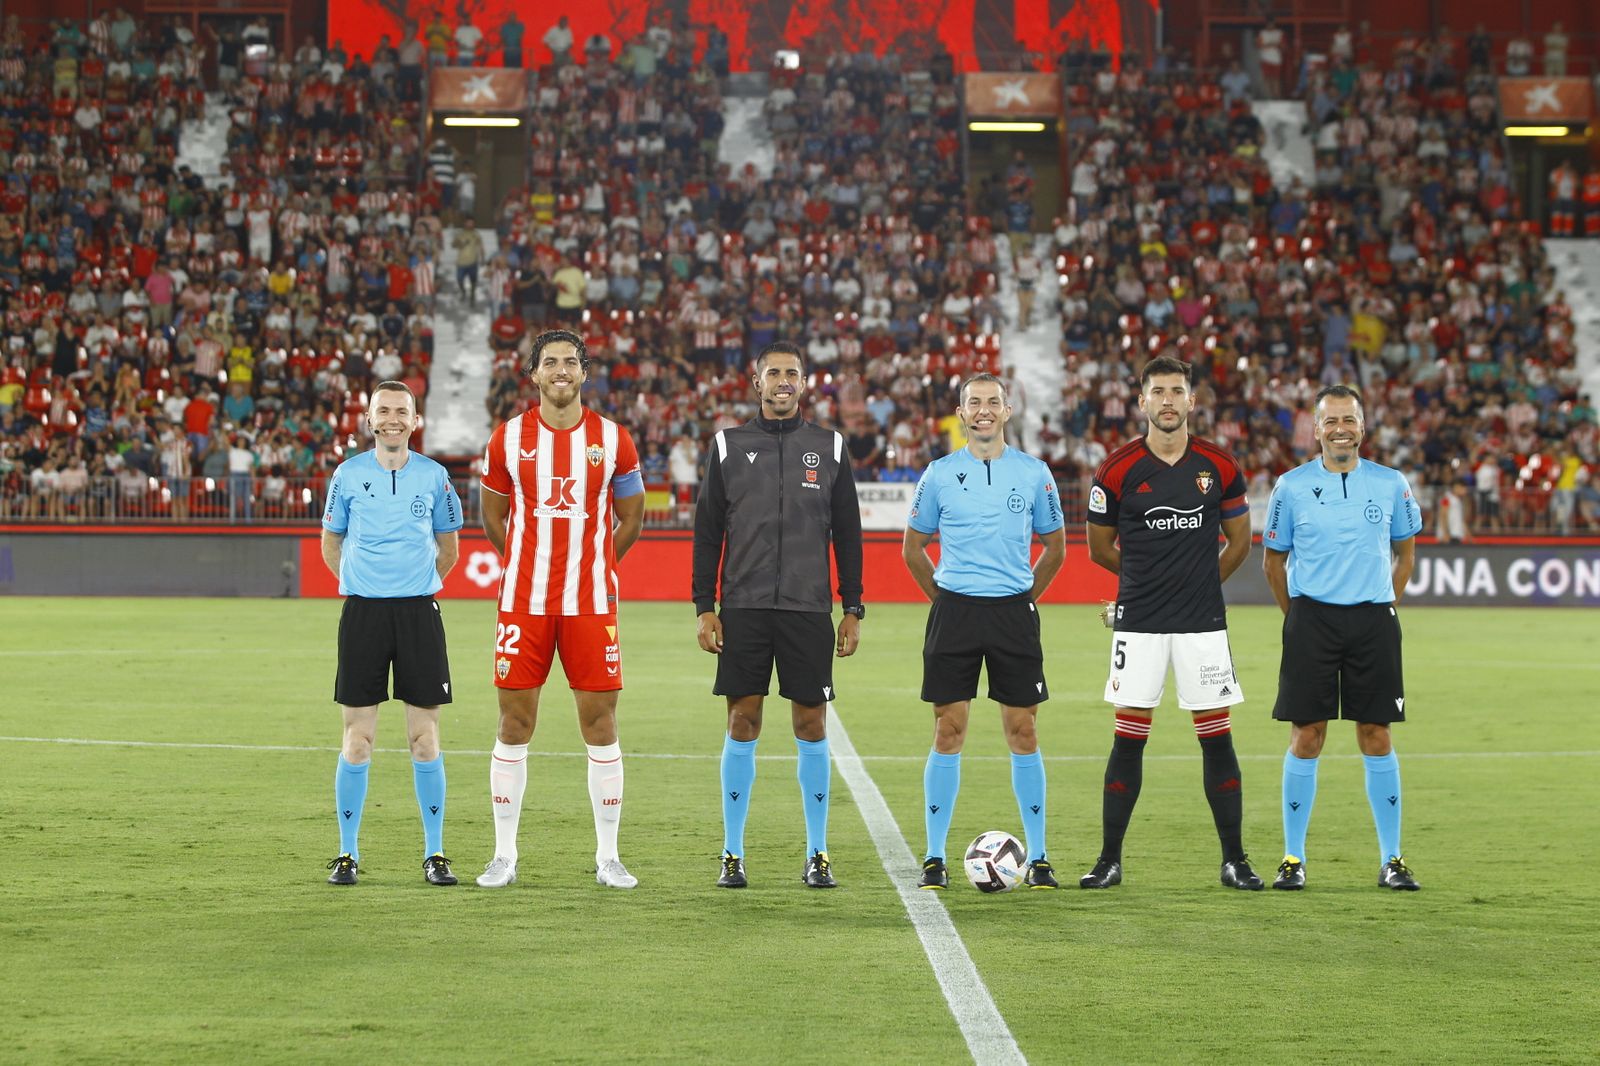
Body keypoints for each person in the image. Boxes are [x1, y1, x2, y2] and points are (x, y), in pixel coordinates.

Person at [1080, 356, 1262, 891]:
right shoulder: (1116, 470)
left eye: (1176, 391)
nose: (1167, 400)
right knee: (1129, 737)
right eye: (1157, 391)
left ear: (1191, 401)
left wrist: (1200, 581)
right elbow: (1098, 548)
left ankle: (1235, 860)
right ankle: (1109, 860)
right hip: (1138, 620)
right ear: (1141, 401)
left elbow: (1242, 542)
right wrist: (1146, 579)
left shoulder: (1220, 466)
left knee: (1216, 736)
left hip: (1202, 621)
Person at [476, 330, 646, 891]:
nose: (561, 370)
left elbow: (633, 517)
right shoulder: (507, 439)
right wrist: (529, 563)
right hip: (522, 605)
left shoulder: (614, 439)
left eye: (570, 362)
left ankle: (608, 856)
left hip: (591, 604)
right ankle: (504, 854)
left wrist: (594, 564)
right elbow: (493, 518)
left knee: (601, 725)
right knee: (514, 723)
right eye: (550, 362)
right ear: (534, 374)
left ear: (584, 372)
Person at [692, 342, 864, 890]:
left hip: (808, 607)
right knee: (743, 721)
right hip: (742, 606)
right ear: (756, 381)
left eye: (792, 373)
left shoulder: (830, 445)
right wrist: (705, 606)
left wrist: (852, 606)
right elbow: (706, 532)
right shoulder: (727, 443)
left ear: (805, 382)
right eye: (774, 373)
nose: (783, 381)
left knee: (811, 724)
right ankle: (732, 853)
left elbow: (849, 532)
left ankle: (817, 853)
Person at [902, 372, 1065, 890]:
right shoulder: (940, 473)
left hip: (1013, 613)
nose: (984, 411)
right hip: (955, 613)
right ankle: (933, 857)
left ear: (1007, 410)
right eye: (975, 403)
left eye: (993, 402)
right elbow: (914, 546)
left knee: (1024, 730)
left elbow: (1055, 545)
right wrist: (948, 600)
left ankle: (1038, 858)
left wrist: (1022, 598)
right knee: (948, 730)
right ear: (962, 412)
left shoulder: (1035, 473)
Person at [1263, 384, 1423, 892]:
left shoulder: (1391, 483)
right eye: (1330, 421)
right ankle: (1293, 858)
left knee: (1376, 733)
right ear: (1316, 429)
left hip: (1373, 620)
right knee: (1307, 734)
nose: (1339, 429)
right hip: (1312, 620)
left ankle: (1392, 859)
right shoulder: (1289, 487)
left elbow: (1406, 551)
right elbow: (1273, 561)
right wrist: (1297, 617)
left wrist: (1387, 604)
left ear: (1362, 426)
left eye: (1348, 420)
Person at [320, 381, 464, 887]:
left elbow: (449, 548)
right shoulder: (347, 474)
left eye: (402, 411)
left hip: (418, 615)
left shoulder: (434, 476)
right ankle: (347, 854)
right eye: (384, 411)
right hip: (362, 616)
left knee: (424, 739)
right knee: (357, 741)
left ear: (415, 419)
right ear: (370, 420)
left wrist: (417, 587)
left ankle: (435, 853)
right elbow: (330, 541)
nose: (393, 419)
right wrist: (359, 586)